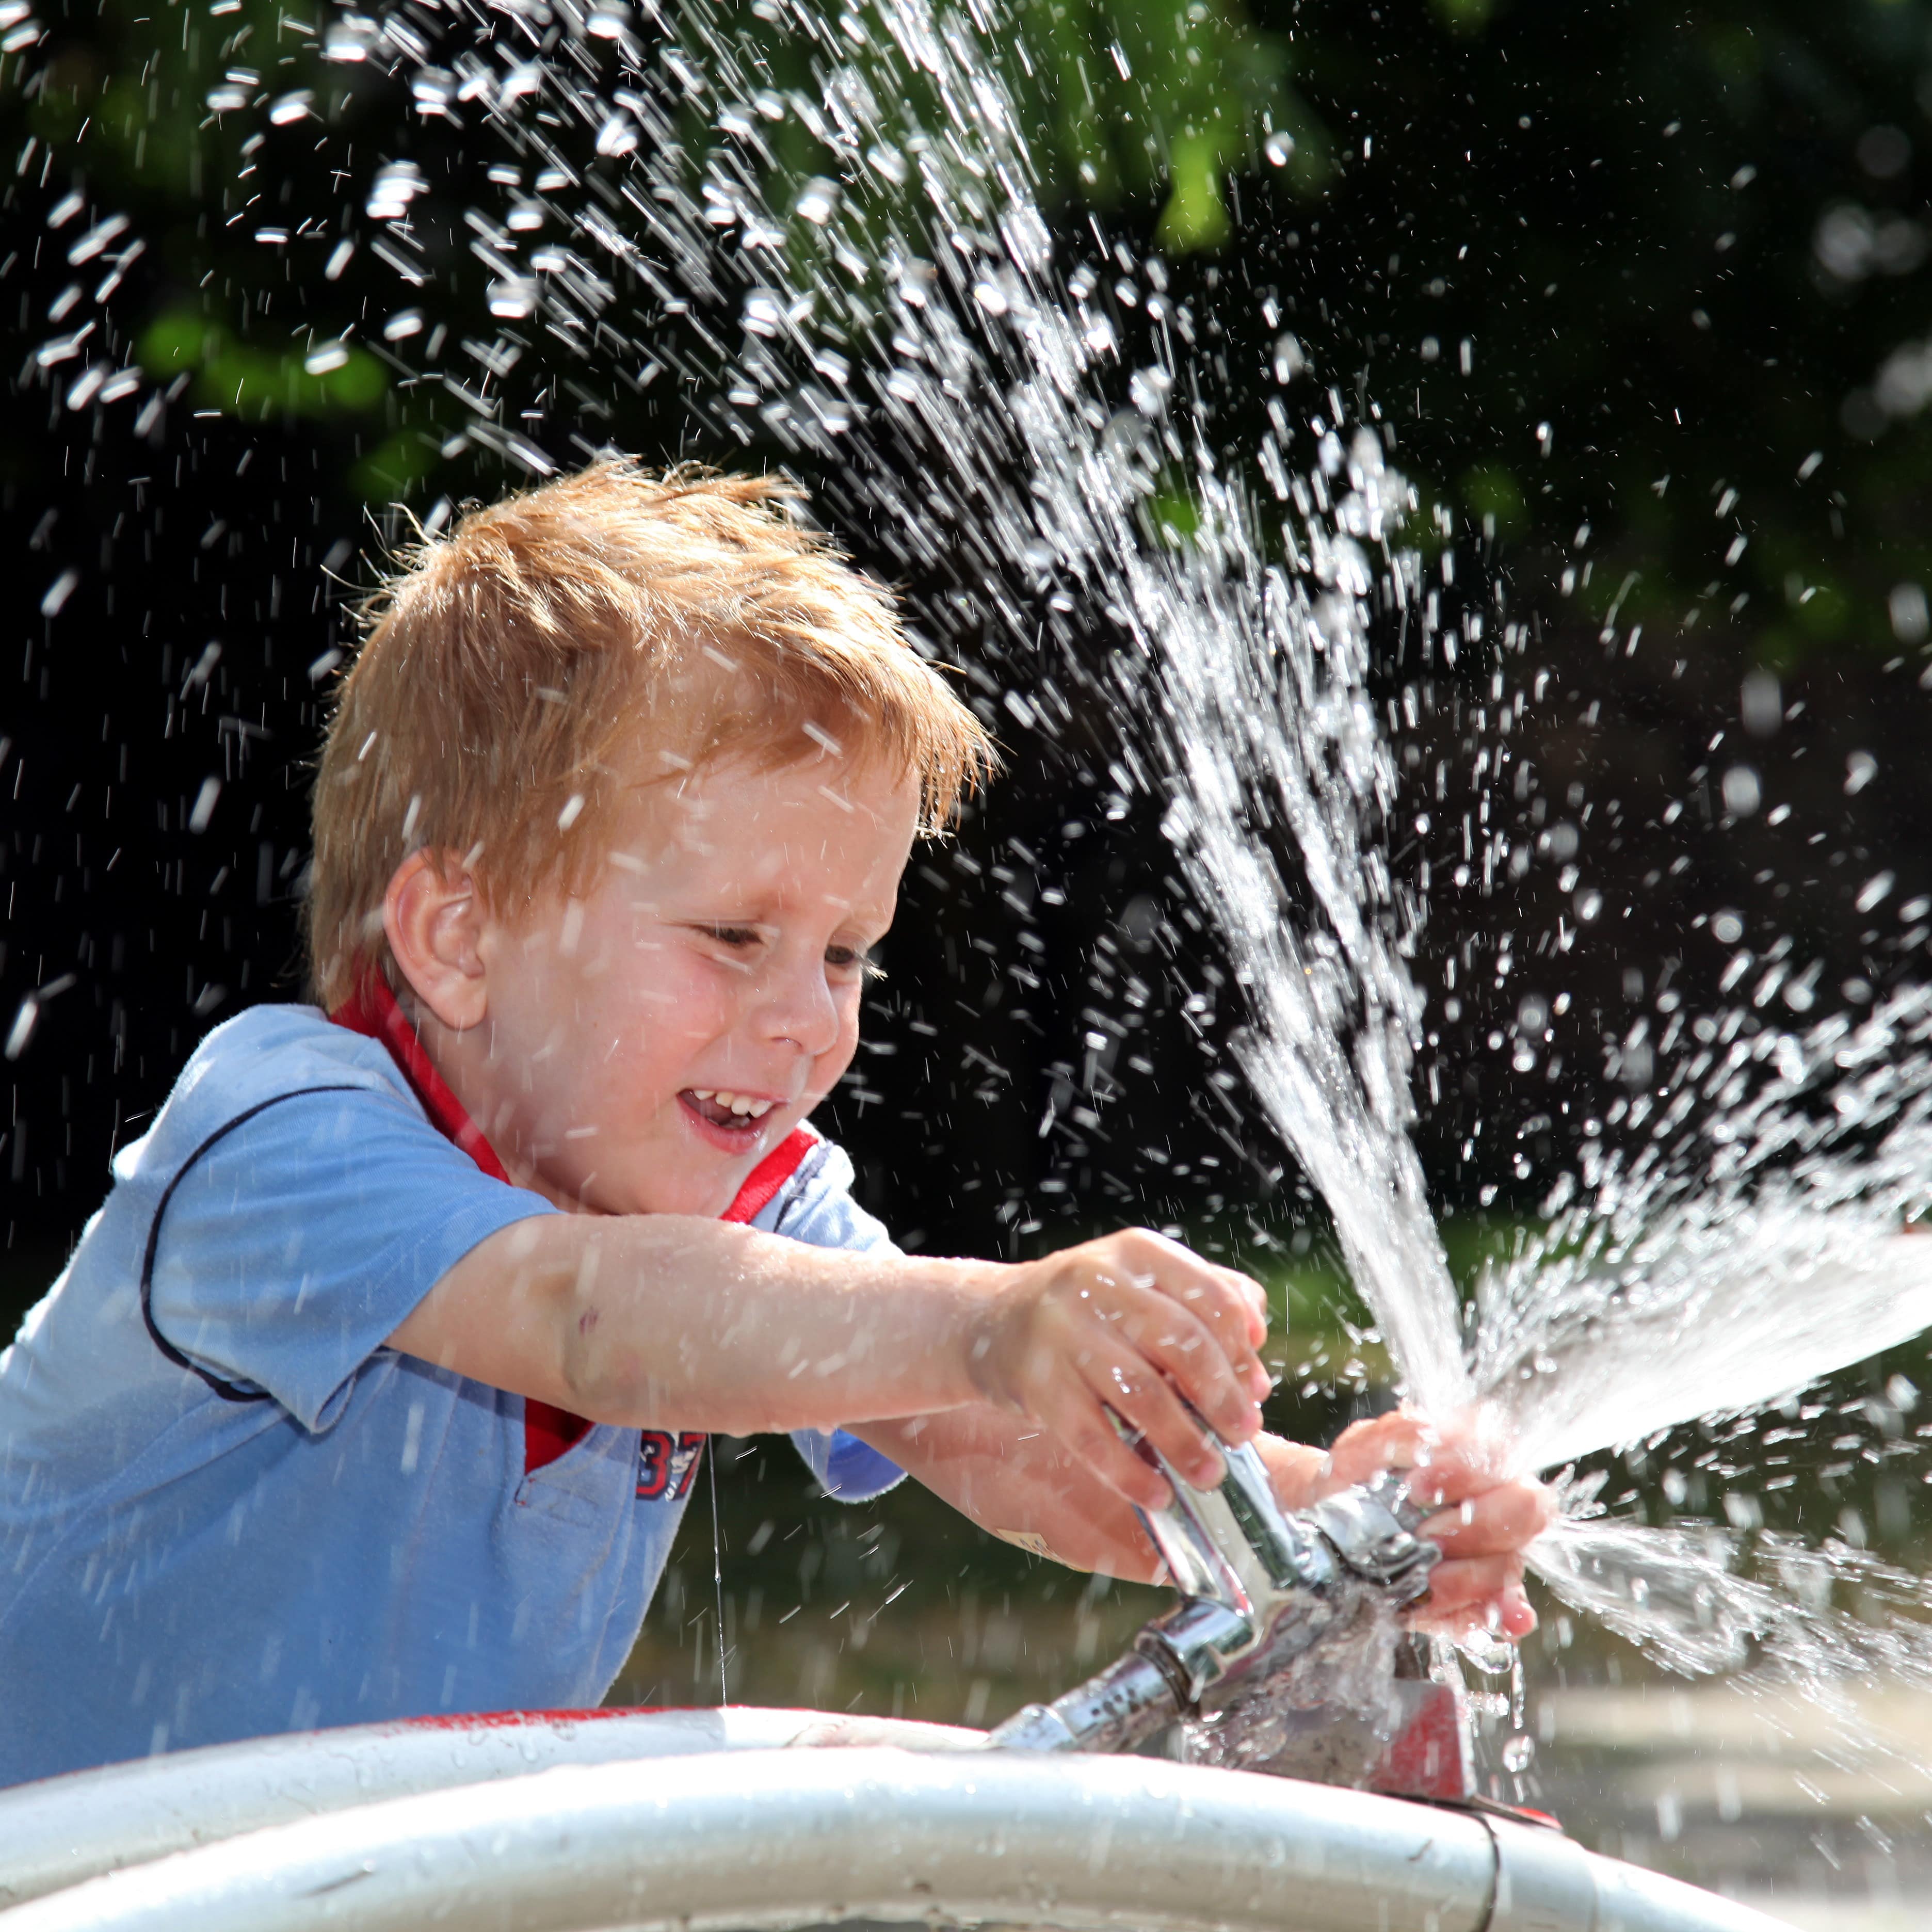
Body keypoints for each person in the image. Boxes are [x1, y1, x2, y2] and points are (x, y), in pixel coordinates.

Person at [0, 462, 1550, 1787]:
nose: (808, 1019)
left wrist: (1344, 1518)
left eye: (846, 952)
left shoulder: (757, 1202)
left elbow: (1002, 1439)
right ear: (459, 938)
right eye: (735, 938)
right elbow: (587, 1316)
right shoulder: (278, 1141)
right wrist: (999, 1316)